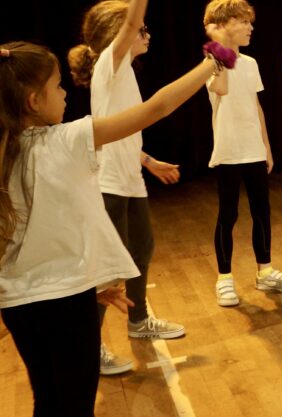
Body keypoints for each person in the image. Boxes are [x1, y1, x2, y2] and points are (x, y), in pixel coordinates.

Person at [0, 40, 220, 415]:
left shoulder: (6, 151)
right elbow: (158, 107)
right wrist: (212, 62)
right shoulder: (66, 141)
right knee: (74, 404)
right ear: (34, 101)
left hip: (19, 305)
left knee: (49, 398)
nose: (65, 91)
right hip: (65, 303)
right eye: (56, 85)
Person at [67, 0, 185, 377]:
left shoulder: (123, 77)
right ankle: (90, 348)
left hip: (129, 180)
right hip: (108, 187)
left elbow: (122, 133)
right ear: (118, 34)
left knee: (141, 249)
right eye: (139, 29)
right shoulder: (108, 65)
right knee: (108, 270)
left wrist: (148, 161)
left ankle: (138, 323)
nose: (145, 33)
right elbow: (132, 23)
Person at [205, 0, 282, 306]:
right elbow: (221, 88)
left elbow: (256, 106)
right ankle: (225, 278)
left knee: (262, 212)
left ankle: (265, 271)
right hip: (228, 150)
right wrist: (218, 48)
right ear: (223, 26)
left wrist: (267, 147)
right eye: (243, 22)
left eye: (250, 22)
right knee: (228, 214)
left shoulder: (251, 63)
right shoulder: (210, 62)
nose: (250, 28)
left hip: (253, 149)